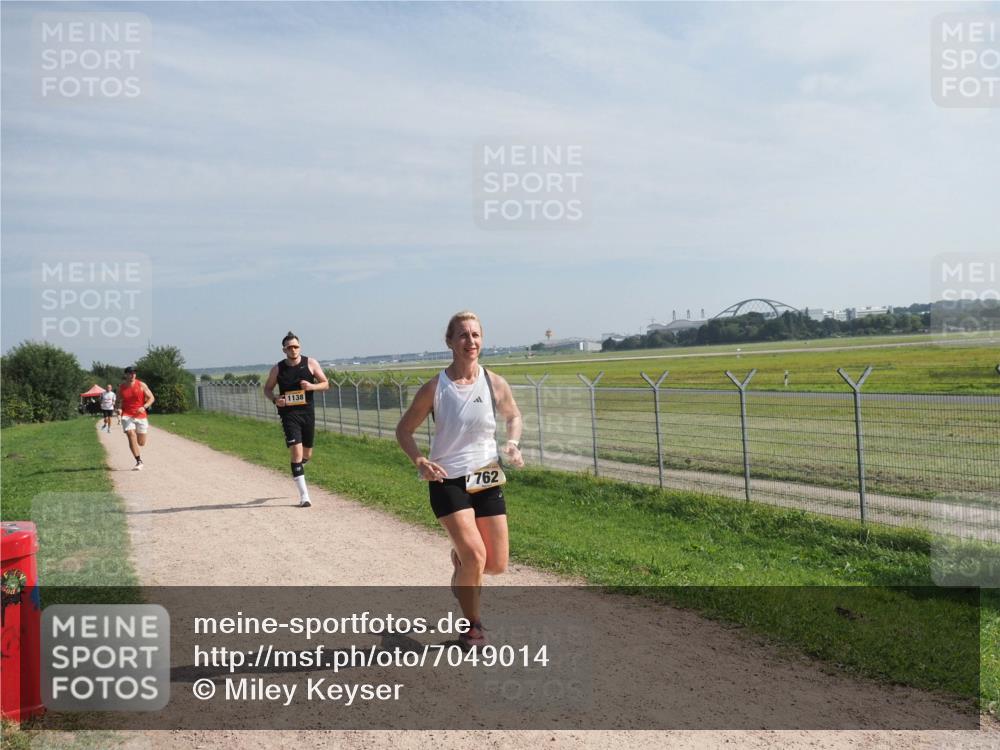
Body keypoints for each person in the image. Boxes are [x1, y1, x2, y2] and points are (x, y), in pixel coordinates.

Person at [395, 311, 524, 649]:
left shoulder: (494, 383)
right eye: (464, 335)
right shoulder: (436, 388)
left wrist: (513, 442)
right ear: (450, 342)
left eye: (476, 335)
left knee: (495, 565)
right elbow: (404, 430)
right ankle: (472, 629)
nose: (471, 341)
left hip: (487, 476)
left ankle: (461, 565)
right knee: (477, 558)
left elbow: (514, 416)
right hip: (447, 479)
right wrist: (421, 460)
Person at [263, 332, 330, 508]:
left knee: (307, 454)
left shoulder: (311, 363)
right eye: (289, 347)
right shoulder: (277, 369)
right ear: (284, 349)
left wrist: (312, 386)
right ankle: (304, 496)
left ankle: (299, 468)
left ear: (300, 347)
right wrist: (276, 399)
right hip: (289, 415)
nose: (293, 350)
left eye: (296, 346)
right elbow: (267, 389)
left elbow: (326, 384)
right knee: (296, 453)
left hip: (307, 413)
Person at [117, 366, 155, 471]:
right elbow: (119, 401)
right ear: (126, 375)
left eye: (134, 373)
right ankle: (139, 461)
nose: (133, 375)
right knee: (130, 434)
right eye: (130, 373)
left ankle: (138, 454)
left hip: (140, 415)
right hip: (127, 415)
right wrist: (119, 409)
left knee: (141, 443)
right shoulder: (121, 387)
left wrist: (144, 407)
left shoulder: (141, 385)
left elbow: (152, 398)